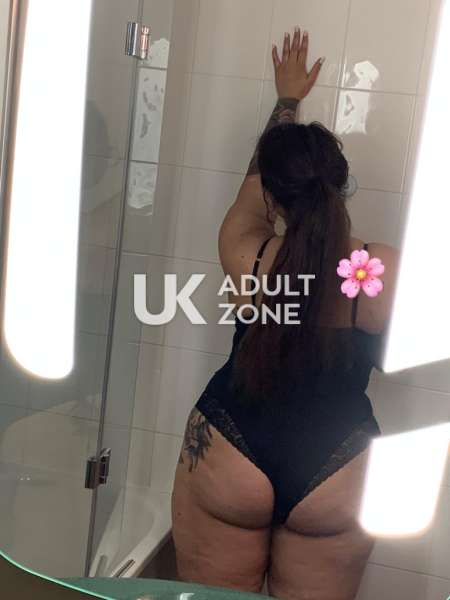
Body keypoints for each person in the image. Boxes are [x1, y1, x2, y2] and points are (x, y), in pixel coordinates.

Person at [172, 27, 399, 600]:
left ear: (275, 198)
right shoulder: (382, 271)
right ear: (340, 187)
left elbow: (253, 190)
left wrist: (287, 99)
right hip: (338, 462)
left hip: (232, 447)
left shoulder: (248, 253)